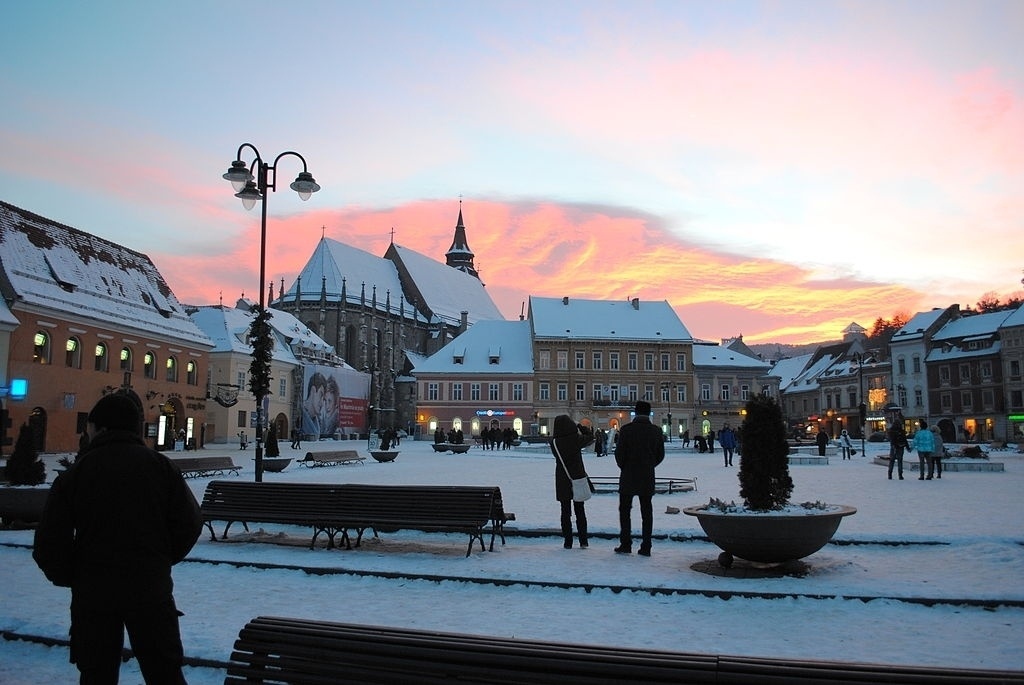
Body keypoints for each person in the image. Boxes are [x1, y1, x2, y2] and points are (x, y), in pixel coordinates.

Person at [33, 392, 204, 684]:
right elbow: (190, 522)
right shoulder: (160, 467)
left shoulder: (78, 473)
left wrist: (73, 574)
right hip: (149, 587)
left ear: (100, 428)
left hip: (94, 591)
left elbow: (50, 541)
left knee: (96, 672)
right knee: (164, 671)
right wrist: (159, 558)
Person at [614, 400, 665, 557]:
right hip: (647, 476)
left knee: (625, 510)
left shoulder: (626, 430)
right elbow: (660, 455)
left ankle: (626, 543)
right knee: (646, 512)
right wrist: (649, 465)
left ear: (635, 412)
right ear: (648, 413)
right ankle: (646, 546)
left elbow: (619, 454)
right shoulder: (655, 431)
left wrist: (625, 466)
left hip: (628, 475)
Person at [549, 415, 595, 549]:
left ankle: (567, 542)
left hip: (562, 480)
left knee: (565, 511)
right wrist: (580, 426)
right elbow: (590, 436)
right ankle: (583, 541)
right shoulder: (575, 440)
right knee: (580, 510)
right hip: (577, 477)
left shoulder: (554, 443)